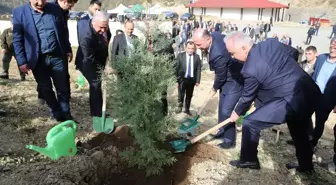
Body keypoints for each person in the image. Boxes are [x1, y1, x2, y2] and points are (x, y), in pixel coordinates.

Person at [225, 31, 321, 173]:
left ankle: (249, 160)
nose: (233, 57)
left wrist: (237, 112)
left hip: (290, 98)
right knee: (298, 131)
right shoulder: (270, 43)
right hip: (309, 90)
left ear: (244, 48)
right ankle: (306, 166)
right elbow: (294, 52)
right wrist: (284, 70)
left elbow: (247, 97)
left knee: (250, 123)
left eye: (232, 53)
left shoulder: (250, 69)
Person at [12, 0, 74, 121]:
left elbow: (63, 31)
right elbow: (17, 39)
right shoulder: (19, 12)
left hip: (57, 56)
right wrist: (22, 61)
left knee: (62, 88)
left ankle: (66, 115)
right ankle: (56, 113)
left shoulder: (55, 9)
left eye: (44, 0)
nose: (41, 3)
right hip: (37, 59)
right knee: (45, 88)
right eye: (37, 0)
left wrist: (68, 48)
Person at [192, 29, 243, 149]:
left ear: (208, 39)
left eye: (199, 44)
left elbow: (220, 76)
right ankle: (221, 131)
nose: (198, 47)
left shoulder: (218, 53)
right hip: (227, 77)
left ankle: (229, 141)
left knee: (227, 111)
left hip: (235, 80)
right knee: (221, 108)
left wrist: (214, 88)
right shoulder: (213, 35)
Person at [37, 0, 77, 105]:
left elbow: (64, 31)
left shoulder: (64, 12)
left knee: (63, 76)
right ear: (64, 1)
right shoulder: (48, 8)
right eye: (70, 4)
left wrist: (67, 48)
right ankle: (42, 96)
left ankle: (65, 100)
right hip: (44, 49)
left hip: (60, 50)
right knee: (45, 76)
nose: (71, 8)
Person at [75, 11, 111, 118]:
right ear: (93, 22)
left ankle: (99, 107)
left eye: (106, 27)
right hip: (87, 62)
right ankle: (97, 114)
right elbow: (89, 58)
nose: (103, 30)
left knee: (98, 83)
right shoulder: (86, 36)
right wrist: (102, 69)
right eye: (101, 27)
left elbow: (108, 38)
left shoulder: (102, 26)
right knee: (95, 83)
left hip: (100, 57)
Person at [310, 38, 336, 156]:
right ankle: (304, 138)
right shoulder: (320, 58)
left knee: (319, 123)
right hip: (312, 95)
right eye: (332, 44)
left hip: (327, 100)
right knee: (303, 117)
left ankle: (312, 144)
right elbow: (314, 74)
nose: (332, 47)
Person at [175, 41, 201, 114]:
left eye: (192, 48)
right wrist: (176, 80)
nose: (190, 50)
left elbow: (198, 69)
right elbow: (176, 68)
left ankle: (187, 109)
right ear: (185, 48)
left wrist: (198, 80)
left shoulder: (197, 57)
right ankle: (179, 108)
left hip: (191, 80)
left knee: (189, 96)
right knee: (181, 95)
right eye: (189, 48)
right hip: (182, 79)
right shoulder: (180, 56)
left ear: (194, 49)